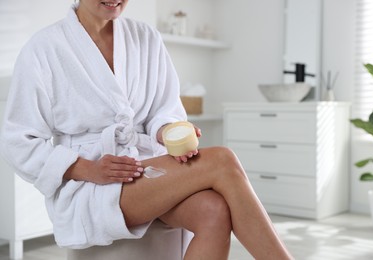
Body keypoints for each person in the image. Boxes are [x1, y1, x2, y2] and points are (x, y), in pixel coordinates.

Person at [0, 0, 293, 259]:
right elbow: (18, 141)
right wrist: (88, 169)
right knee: (223, 160)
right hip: (89, 184)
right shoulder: (44, 47)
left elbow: (164, 110)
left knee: (213, 211)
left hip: (145, 169)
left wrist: (168, 132)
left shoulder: (146, 37)